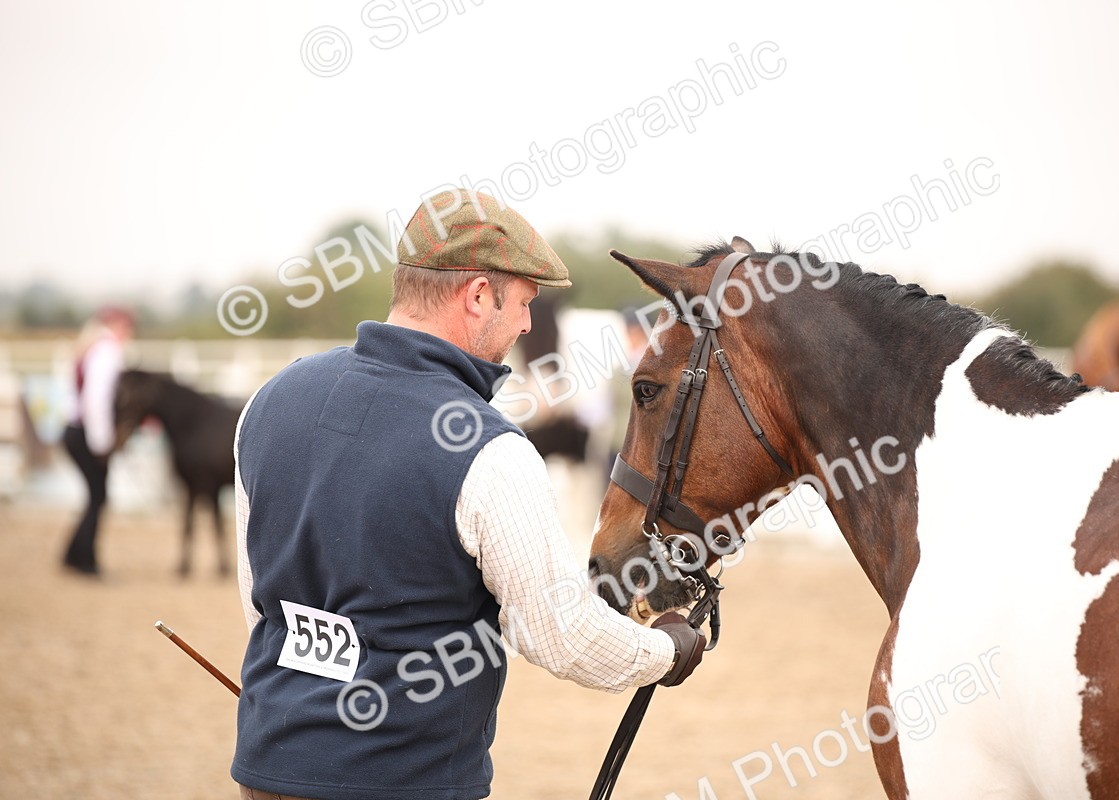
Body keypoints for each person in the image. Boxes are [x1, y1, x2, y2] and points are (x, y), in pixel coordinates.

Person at [232, 189, 706, 800]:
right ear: (478, 294)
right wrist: (666, 649)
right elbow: (558, 634)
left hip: (268, 769)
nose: (530, 324)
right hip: (410, 783)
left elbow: (260, 605)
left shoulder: (268, 403)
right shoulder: (490, 450)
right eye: (526, 302)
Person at [62, 306, 134, 576]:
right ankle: (84, 560)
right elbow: (97, 399)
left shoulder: (91, 347)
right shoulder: (107, 351)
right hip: (88, 433)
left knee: (95, 496)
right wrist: (102, 442)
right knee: (98, 496)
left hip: (77, 429)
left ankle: (74, 555)